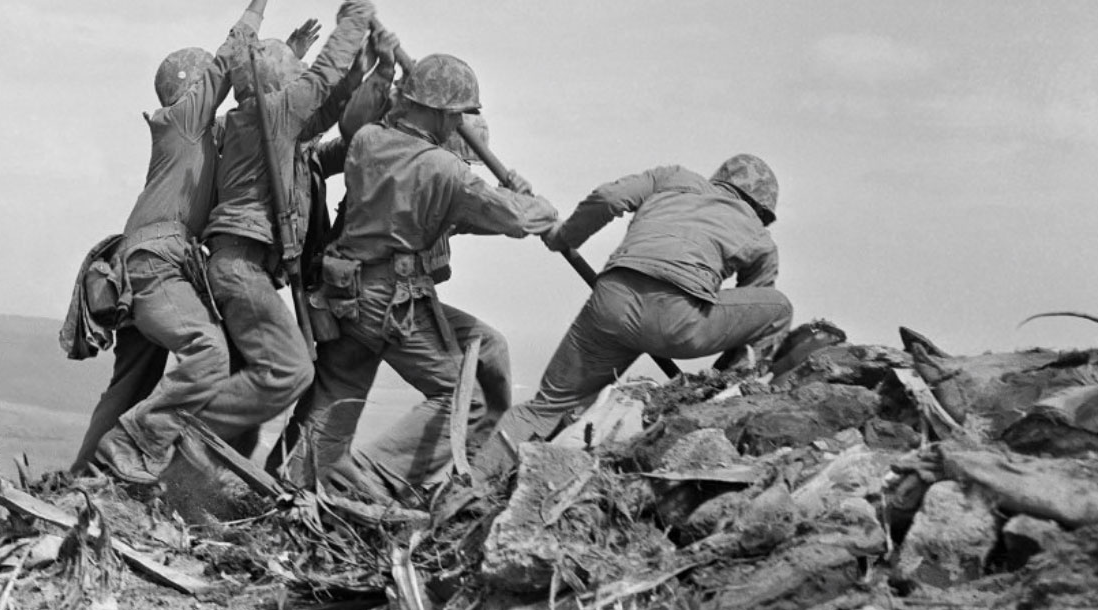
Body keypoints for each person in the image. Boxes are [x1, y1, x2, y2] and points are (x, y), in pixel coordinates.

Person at [289, 55, 558, 499]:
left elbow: (440, 211)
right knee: (465, 399)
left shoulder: (369, 141)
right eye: (455, 114)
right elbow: (515, 219)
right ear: (436, 111)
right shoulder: (444, 169)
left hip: (345, 292)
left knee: (340, 391)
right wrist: (534, 201)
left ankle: (299, 486)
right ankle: (369, 480)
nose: (457, 123)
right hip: (391, 300)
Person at [78, 0, 304, 483]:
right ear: (190, 88)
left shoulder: (199, 138)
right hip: (156, 263)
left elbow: (258, 108)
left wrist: (288, 56)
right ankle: (136, 447)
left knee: (131, 383)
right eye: (206, 83)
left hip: (150, 264)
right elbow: (231, 58)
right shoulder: (181, 121)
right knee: (207, 351)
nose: (215, 90)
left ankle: (83, 478)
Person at [476, 154, 791, 478]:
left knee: (545, 406)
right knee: (779, 308)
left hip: (611, 303)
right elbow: (751, 319)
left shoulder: (673, 177)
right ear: (762, 209)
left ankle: (470, 483)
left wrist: (564, 237)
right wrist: (717, 379)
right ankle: (727, 396)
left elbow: (608, 198)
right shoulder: (759, 237)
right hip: (679, 321)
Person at [192, 0, 379, 455]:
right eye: (295, 74)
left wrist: (370, 66)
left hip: (245, 265)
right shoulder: (270, 114)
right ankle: (181, 434)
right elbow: (322, 79)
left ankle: (203, 473)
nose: (302, 81)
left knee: (249, 392)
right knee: (291, 371)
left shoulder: (265, 121)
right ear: (279, 83)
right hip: (241, 266)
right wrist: (355, 21)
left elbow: (329, 105)